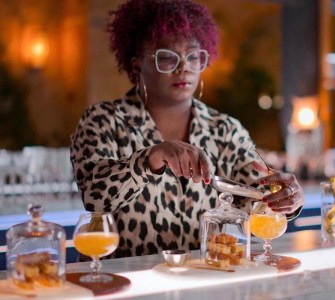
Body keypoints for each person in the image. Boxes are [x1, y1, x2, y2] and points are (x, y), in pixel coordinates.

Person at [70, 0, 304, 258]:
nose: (185, 68)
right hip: (130, 283)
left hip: (202, 281)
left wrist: (284, 199)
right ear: (137, 66)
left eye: (194, 56)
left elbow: (254, 199)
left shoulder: (224, 130)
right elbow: (95, 197)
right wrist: (150, 159)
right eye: (168, 58)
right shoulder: (103, 121)